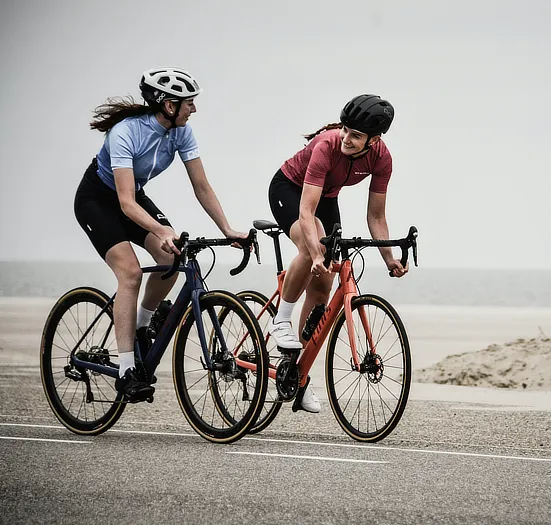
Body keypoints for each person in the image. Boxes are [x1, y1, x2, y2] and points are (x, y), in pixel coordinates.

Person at [74, 67, 247, 401]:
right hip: (98, 201)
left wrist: (226, 229)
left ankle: (142, 326)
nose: (194, 109)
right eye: (189, 103)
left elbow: (201, 186)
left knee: (171, 257)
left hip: (132, 198)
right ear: (169, 105)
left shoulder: (181, 132)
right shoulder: (125, 133)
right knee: (130, 273)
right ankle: (126, 370)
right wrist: (160, 228)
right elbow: (125, 203)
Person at [267, 94, 407, 413]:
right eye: (345, 129)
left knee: (322, 287)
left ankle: (299, 376)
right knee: (312, 247)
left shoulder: (382, 159)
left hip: (326, 198)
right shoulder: (326, 145)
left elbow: (376, 217)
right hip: (289, 189)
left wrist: (389, 259)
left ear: (374, 140)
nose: (346, 138)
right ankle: (281, 319)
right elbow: (306, 211)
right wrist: (316, 253)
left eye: (355, 135)